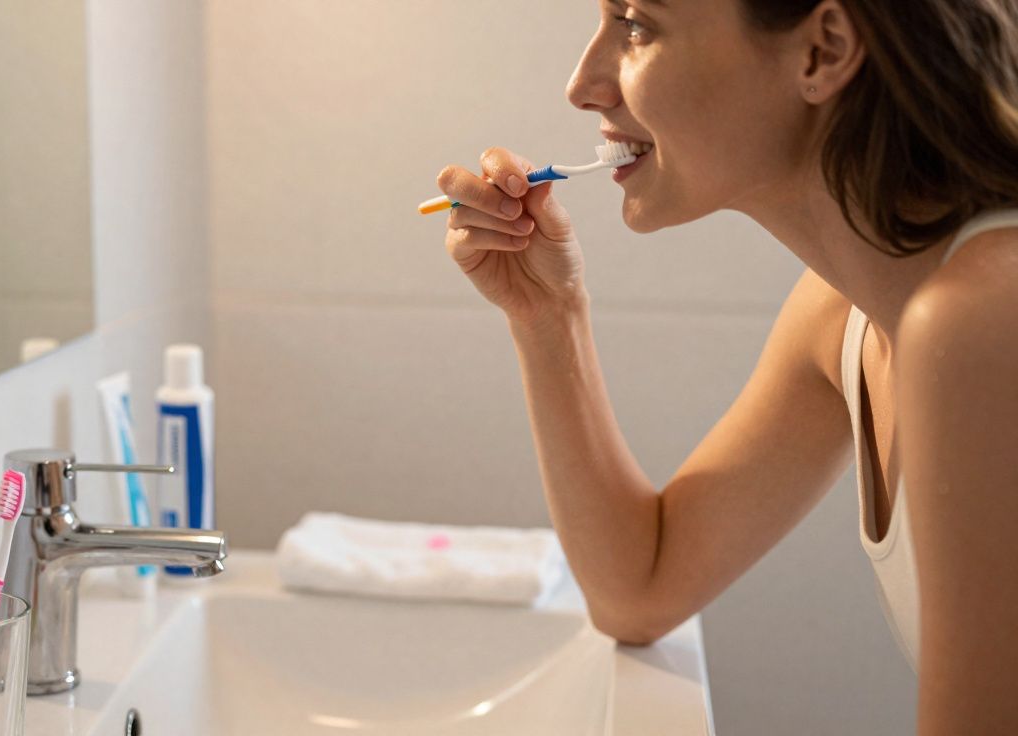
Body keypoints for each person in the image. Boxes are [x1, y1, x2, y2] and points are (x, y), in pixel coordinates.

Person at [434, 0, 1018, 732]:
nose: (583, 84)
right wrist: (548, 315)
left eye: (637, 24)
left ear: (822, 52)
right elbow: (640, 590)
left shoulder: (989, 319)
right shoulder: (845, 317)